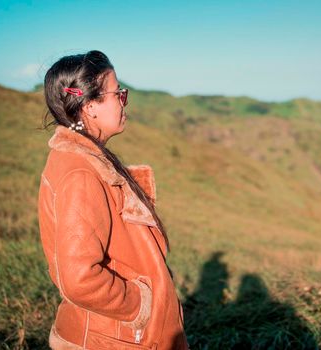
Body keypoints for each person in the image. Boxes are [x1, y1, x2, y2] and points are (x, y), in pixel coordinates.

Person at [37, 50, 189, 350]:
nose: (123, 100)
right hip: (114, 339)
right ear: (90, 105)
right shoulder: (81, 173)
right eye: (118, 93)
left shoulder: (83, 159)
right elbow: (79, 278)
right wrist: (142, 306)